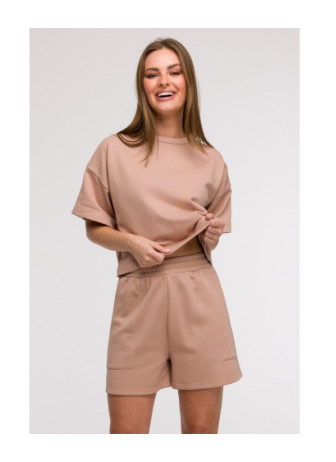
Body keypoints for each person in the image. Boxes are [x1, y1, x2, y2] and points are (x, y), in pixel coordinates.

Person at [71, 37, 243, 434]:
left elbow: (211, 240)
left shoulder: (211, 158)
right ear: (142, 85)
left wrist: (212, 233)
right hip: (138, 294)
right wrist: (131, 243)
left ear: (187, 81)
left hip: (198, 295)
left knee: (201, 434)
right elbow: (94, 225)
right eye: (152, 74)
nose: (163, 81)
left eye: (173, 71)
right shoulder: (113, 150)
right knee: (126, 435)